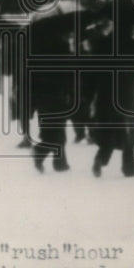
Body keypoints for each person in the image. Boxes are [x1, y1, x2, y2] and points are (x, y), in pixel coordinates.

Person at [89, 16, 134, 178]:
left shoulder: (101, 44)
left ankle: (101, 158)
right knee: (130, 130)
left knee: (108, 128)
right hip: (126, 94)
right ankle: (129, 167)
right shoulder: (133, 45)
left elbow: (91, 71)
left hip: (105, 93)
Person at [29, 21, 76, 172]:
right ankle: (40, 152)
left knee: (52, 130)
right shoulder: (59, 47)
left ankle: (60, 163)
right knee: (56, 132)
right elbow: (67, 72)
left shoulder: (37, 46)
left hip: (42, 95)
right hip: (55, 94)